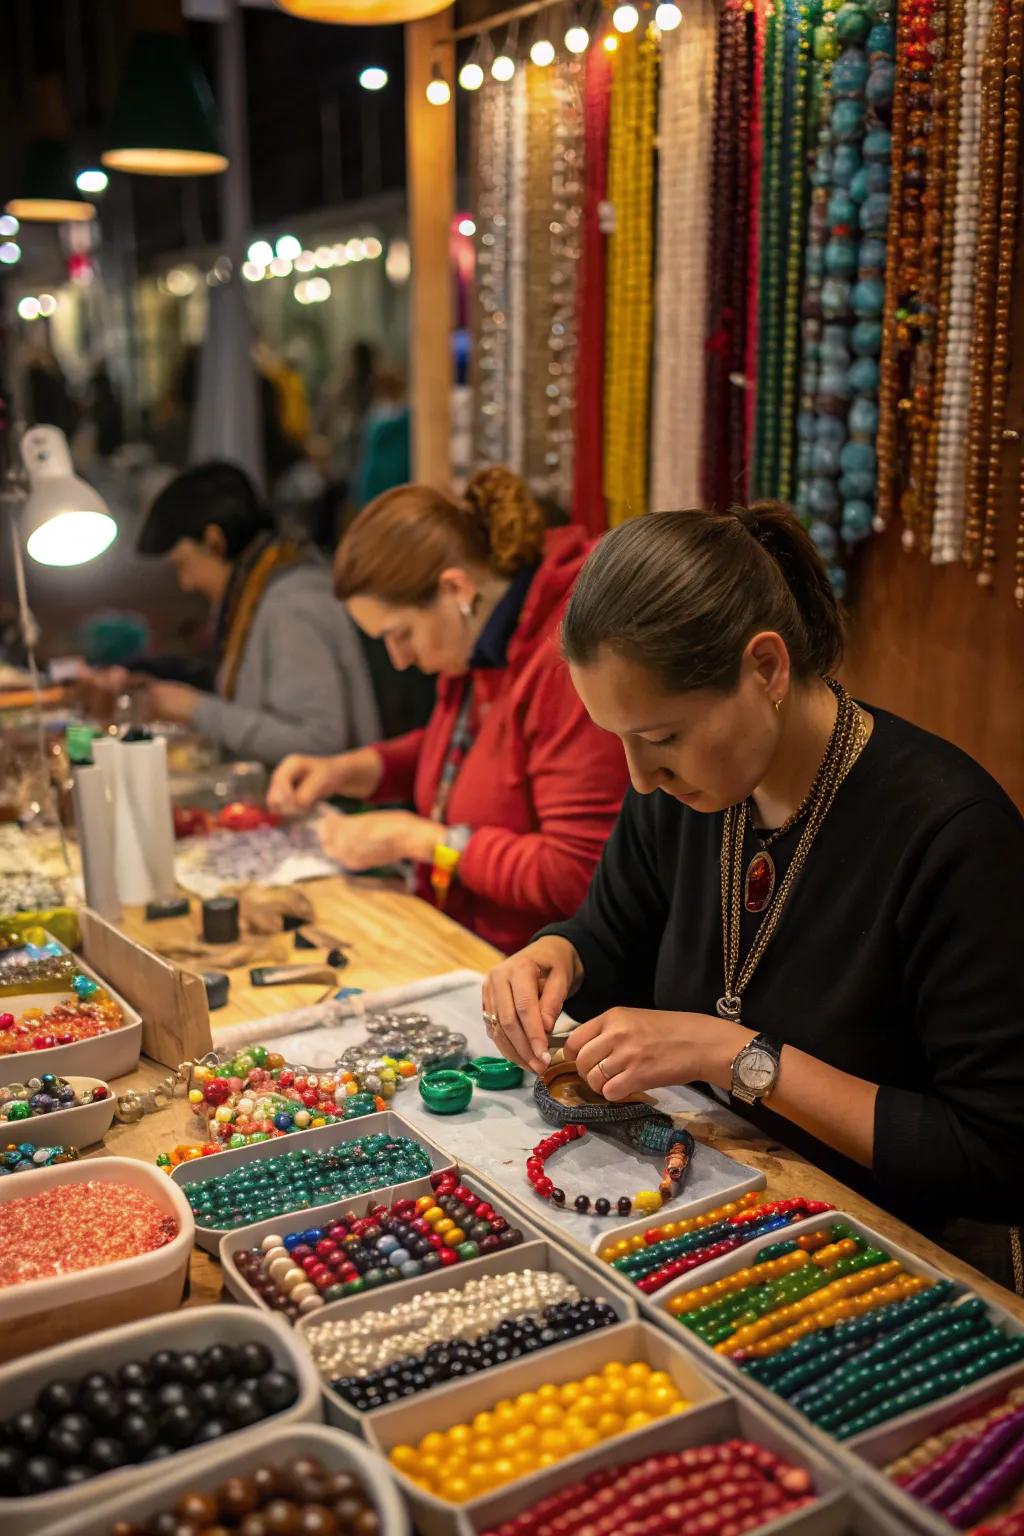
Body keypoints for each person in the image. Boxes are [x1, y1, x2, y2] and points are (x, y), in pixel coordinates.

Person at [482, 503, 1024, 1290]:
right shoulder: (682, 793)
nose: (638, 777)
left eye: (662, 738)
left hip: (896, 1258)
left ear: (766, 669)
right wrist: (554, 953)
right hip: (719, 1209)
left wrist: (732, 1055)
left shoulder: (951, 835)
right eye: (619, 739)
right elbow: (615, 937)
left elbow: (997, 1152)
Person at [268, 468, 630, 953]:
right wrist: (355, 770)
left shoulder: (567, 659)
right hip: (471, 944)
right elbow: (477, 756)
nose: (399, 659)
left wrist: (420, 840)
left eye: (402, 634)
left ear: (456, 590)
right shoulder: (483, 640)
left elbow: (575, 873)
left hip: (548, 976)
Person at [135, 460, 380, 768]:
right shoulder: (255, 594)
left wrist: (198, 710)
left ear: (214, 541)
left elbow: (319, 742)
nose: (186, 583)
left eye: (182, 564)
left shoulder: (289, 605)